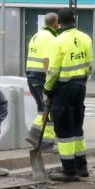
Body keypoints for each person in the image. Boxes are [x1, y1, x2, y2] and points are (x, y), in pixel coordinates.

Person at [45, 8, 94, 182]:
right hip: (80, 86)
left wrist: (47, 89)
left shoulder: (58, 41)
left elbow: (52, 70)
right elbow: (89, 64)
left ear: (59, 23)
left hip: (63, 89)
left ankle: (69, 171)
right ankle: (82, 166)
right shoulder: (86, 38)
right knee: (77, 128)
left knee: (64, 130)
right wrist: (82, 82)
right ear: (74, 20)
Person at [25, 12, 59, 148]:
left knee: (42, 107)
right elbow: (46, 59)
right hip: (41, 76)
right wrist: (49, 78)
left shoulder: (36, 35)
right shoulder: (51, 37)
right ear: (56, 24)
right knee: (48, 108)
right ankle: (44, 140)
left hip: (31, 75)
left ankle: (38, 137)